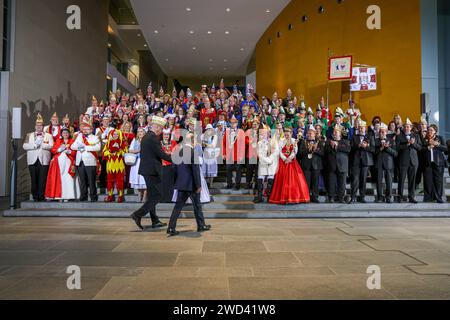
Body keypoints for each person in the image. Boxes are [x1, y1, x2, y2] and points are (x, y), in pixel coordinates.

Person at [130, 116, 172, 230]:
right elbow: (161, 154)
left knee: (152, 196)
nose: (161, 130)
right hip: (151, 171)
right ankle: (137, 214)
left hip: (148, 170)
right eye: (161, 128)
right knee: (157, 195)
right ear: (156, 127)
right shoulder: (153, 138)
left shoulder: (147, 136)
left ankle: (155, 220)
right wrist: (175, 160)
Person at [167, 132, 211, 236]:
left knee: (178, 207)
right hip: (191, 185)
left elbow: (174, 168)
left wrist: (177, 181)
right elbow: (195, 170)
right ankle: (201, 226)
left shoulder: (180, 151)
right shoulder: (193, 152)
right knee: (197, 205)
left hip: (181, 184)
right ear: (193, 141)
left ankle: (171, 228)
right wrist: (199, 185)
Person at [269, 127, 310, 205]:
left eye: (288, 134)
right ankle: (283, 197)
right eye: (286, 134)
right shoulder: (281, 141)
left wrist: (289, 158)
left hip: (292, 162)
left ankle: (293, 197)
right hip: (283, 162)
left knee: (293, 180)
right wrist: (284, 158)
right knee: (282, 180)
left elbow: (295, 151)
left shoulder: (294, 141)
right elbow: (279, 151)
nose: (287, 136)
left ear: (291, 134)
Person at [23, 113, 54, 202]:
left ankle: (41, 196)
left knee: (42, 179)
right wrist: (34, 145)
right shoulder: (29, 135)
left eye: (40, 126)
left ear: (43, 126)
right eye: (37, 125)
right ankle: (35, 196)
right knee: (34, 179)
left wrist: (42, 144)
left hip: (44, 160)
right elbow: (24, 146)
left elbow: (51, 146)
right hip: (32, 160)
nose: (39, 127)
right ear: (35, 126)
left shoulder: (49, 135)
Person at [45, 128, 80, 201]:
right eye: (64, 133)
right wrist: (59, 149)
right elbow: (53, 150)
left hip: (69, 162)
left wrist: (69, 151)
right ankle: (60, 195)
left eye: (66, 133)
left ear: (69, 134)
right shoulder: (58, 141)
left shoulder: (72, 141)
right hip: (59, 163)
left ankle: (70, 196)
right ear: (61, 134)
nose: (65, 134)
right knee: (61, 178)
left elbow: (75, 152)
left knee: (69, 178)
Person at [71, 117, 101, 202]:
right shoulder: (79, 136)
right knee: (82, 181)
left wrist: (86, 147)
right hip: (80, 161)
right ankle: (83, 196)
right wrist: (80, 147)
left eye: (87, 129)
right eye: (84, 129)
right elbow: (72, 146)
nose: (85, 131)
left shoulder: (95, 137)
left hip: (90, 162)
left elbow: (97, 148)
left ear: (91, 130)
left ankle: (93, 197)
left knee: (91, 181)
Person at [397, 118, 422, 203]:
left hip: (414, 161)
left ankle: (411, 197)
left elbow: (420, 148)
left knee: (412, 180)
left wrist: (413, 143)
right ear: (403, 127)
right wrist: (407, 144)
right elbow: (397, 148)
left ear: (411, 127)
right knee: (401, 179)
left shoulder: (416, 136)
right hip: (403, 161)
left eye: (408, 126)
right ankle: (399, 197)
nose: (407, 128)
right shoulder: (399, 136)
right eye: (405, 126)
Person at [350, 120, 375, 203]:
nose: (361, 129)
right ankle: (353, 197)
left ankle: (362, 197)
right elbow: (351, 149)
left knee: (363, 180)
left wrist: (366, 146)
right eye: (360, 128)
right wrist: (358, 146)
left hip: (365, 161)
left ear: (365, 128)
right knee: (355, 180)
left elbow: (373, 149)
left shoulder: (370, 137)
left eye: (362, 128)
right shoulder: (354, 137)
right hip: (356, 161)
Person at [298, 126, 325, 203]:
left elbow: (322, 153)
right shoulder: (303, 142)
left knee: (315, 182)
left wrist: (314, 150)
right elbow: (300, 153)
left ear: (314, 134)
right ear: (306, 134)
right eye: (308, 133)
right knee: (306, 182)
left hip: (316, 165)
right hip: (306, 165)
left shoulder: (319, 142)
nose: (310, 134)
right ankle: (306, 197)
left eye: (311, 133)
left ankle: (315, 197)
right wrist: (308, 150)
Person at [324, 126, 351, 203]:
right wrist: (331, 145)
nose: (334, 133)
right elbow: (325, 151)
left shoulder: (345, 141)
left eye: (336, 132)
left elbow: (348, 149)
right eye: (334, 132)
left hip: (342, 165)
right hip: (332, 165)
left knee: (342, 183)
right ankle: (331, 197)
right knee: (331, 182)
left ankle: (341, 198)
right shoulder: (328, 142)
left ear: (340, 134)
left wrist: (337, 145)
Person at [423, 124, 448, 203]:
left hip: (438, 162)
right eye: (428, 130)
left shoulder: (440, 138)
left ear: (435, 131)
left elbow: (446, 149)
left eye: (431, 130)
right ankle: (428, 198)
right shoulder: (424, 139)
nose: (429, 132)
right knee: (427, 180)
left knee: (438, 181)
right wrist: (427, 147)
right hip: (427, 163)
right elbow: (420, 149)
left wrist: (437, 144)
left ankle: (438, 197)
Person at [254, 126, 279, 203]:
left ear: (269, 133)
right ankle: (260, 196)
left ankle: (269, 197)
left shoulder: (274, 141)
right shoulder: (259, 142)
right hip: (263, 163)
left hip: (271, 163)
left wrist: (270, 159)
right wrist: (266, 160)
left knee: (270, 180)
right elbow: (258, 153)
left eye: (265, 132)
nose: (264, 134)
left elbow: (276, 152)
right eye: (262, 133)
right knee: (260, 179)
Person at [374, 123, 397, 203]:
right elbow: (373, 152)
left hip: (388, 163)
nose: (382, 133)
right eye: (380, 132)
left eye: (383, 132)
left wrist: (387, 148)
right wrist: (381, 148)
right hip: (379, 163)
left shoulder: (391, 140)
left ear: (386, 132)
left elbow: (395, 153)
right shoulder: (375, 140)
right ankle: (379, 197)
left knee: (389, 181)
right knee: (378, 181)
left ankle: (388, 197)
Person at [103, 129, 128, 203]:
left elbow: (125, 153)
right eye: (114, 134)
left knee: (120, 180)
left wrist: (119, 152)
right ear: (111, 135)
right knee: (109, 181)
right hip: (110, 165)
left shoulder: (122, 143)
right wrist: (110, 152)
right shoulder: (108, 143)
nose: (115, 136)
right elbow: (104, 152)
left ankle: (120, 196)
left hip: (119, 165)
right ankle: (110, 195)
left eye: (117, 134)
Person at [128, 128, 147, 202]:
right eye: (138, 132)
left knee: (144, 178)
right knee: (137, 178)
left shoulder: (147, 140)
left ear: (144, 132)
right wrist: (138, 151)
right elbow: (130, 150)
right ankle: (140, 194)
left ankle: (145, 195)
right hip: (137, 161)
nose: (140, 133)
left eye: (141, 131)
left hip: (145, 161)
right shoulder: (134, 140)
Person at [160, 129, 177, 203]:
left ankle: (170, 198)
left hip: (171, 165)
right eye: (165, 134)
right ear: (162, 135)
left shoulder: (173, 142)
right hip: (162, 165)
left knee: (170, 183)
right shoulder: (159, 143)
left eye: (168, 134)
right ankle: (162, 198)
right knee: (162, 183)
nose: (166, 136)